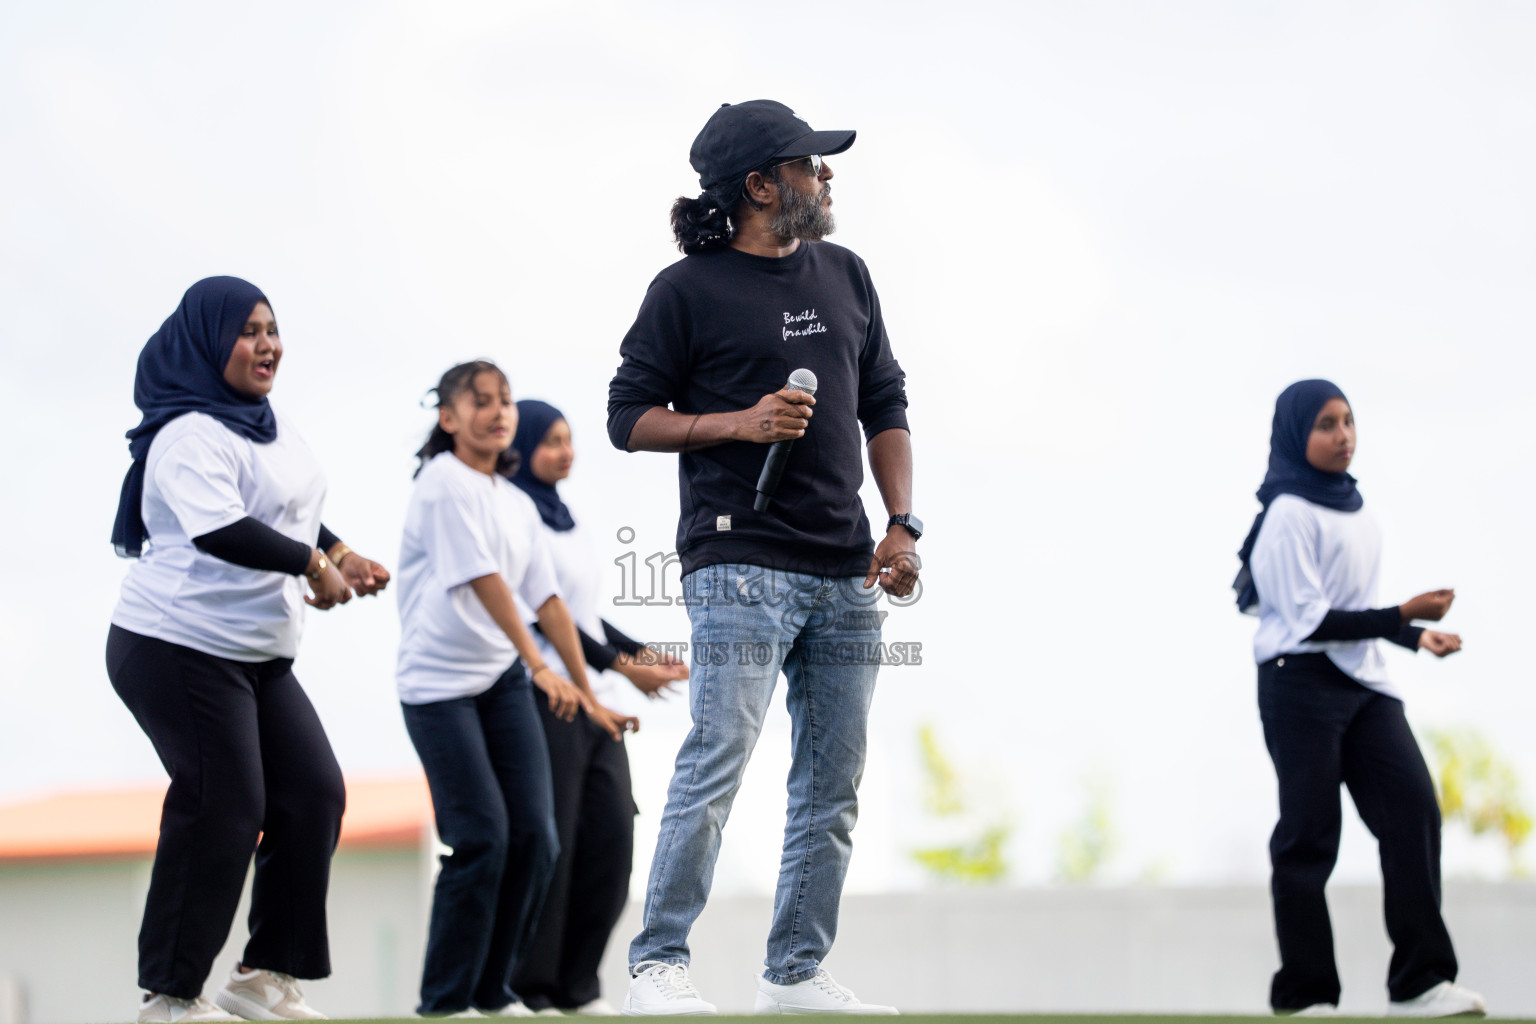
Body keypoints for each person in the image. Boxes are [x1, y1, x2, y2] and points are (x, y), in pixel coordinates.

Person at [607, 99, 919, 1015]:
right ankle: (656, 967)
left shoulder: (848, 274)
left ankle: (795, 976)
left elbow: (887, 403)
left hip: (847, 567)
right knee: (720, 755)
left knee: (833, 780)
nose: (826, 176)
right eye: (809, 164)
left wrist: (903, 524)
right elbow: (628, 416)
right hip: (737, 563)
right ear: (758, 185)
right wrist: (737, 424)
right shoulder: (685, 291)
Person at [107, 276, 391, 1024]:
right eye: (248, 331)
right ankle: (169, 997)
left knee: (313, 796)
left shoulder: (268, 423)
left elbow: (293, 510)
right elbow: (221, 529)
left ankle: (264, 977)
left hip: (256, 653)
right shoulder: (186, 434)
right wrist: (310, 566)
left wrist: (340, 552)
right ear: (207, 342)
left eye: (272, 328)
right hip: (173, 646)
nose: (268, 345)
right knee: (224, 804)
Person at [1235, 379, 1486, 1018]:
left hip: (1364, 684)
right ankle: (1306, 993)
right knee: (1310, 837)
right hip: (1299, 683)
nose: (1343, 435)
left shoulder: (1357, 506)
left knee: (1413, 815)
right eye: (1325, 424)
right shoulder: (1287, 514)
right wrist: (1401, 612)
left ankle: (1421, 983)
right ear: (1298, 434)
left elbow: (1347, 611)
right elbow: (1311, 622)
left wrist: (1411, 634)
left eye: (1348, 421)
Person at [395, 361, 628, 1018]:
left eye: (504, 402)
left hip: (496, 682)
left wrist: (587, 694)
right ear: (449, 418)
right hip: (439, 689)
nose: (498, 413)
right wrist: (539, 666)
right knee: (482, 838)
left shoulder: (515, 501)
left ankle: (494, 993)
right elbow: (487, 584)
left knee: (536, 837)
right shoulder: (443, 485)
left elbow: (549, 601)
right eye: (482, 402)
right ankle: (445, 1000)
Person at [504, 400, 689, 1016]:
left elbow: (581, 616)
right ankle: (531, 988)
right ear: (523, 445)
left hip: (595, 701)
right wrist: (621, 667)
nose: (567, 451)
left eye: (570, 439)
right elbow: (538, 613)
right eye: (552, 441)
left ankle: (578, 986)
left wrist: (641, 653)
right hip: (545, 696)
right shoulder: (511, 514)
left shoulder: (567, 518)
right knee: (554, 847)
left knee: (611, 842)